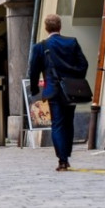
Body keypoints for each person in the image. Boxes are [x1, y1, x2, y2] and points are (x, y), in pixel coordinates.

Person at [28, 14, 90, 171]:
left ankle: (62, 159)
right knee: (68, 122)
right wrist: (75, 78)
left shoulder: (40, 47)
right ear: (60, 27)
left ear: (46, 28)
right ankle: (66, 155)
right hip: (71, 90)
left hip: (53, 90)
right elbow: (83, 64)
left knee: (58, 124)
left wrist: (35, 89)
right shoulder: (71, 42)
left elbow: (33, 71)